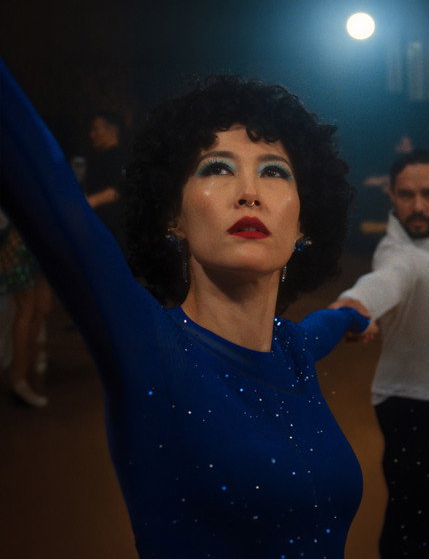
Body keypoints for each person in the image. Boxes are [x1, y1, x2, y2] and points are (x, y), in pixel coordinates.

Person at [0, 58, 372, 559]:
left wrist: (353, 315)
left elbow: (326, 324)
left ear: (303, 224)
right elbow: (36, 172)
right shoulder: (149, 348)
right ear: (172, 216)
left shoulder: (294, 348)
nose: (249, 193)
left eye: (274, 172)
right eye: (218, 167)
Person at [329, 85, 429, 559]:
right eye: (407, 195)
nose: (418, 206)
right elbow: (382, 283)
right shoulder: (401, 255)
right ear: (391, 195)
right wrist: (351, 306)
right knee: (414, 523)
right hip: (415, 407)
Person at [0, 208, 52, 407]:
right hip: (17, 241)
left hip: (38, 240)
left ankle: (21, 369)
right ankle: (18, 378)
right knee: (26, 308)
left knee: (42, 306)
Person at [85, 110, 127, 249]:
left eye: (96, 129)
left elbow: (121, 189)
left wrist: (90, 202)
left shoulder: (118, 157)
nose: (92, 134)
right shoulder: (100, 158)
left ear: (112, 130)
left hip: (112, 234)